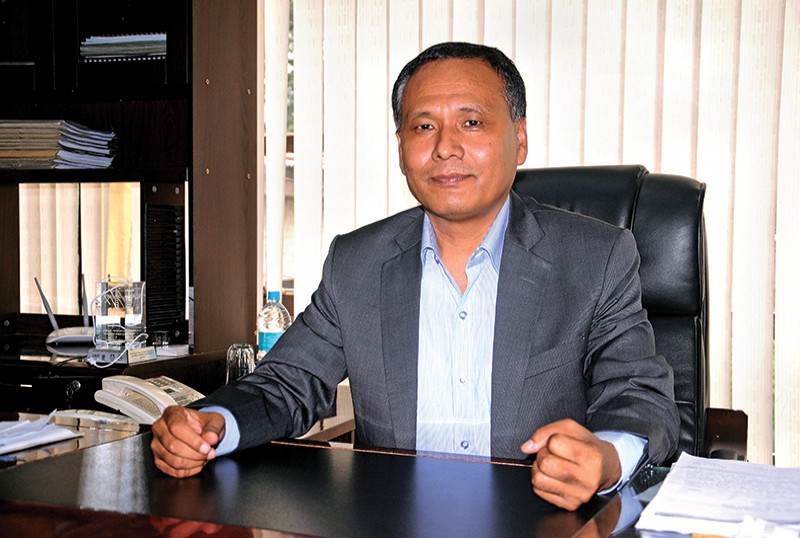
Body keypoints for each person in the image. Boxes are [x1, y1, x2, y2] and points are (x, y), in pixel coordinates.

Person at [151, 41, 679, 511]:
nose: (445, 146)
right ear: (402, 149)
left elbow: (638, 394)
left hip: (541, 524)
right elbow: (286, 385)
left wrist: (606, 457)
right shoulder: (356, 263)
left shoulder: (596, 258)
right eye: (423, 126)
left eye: (472, 122)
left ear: (519, 140)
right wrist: (212, 424)